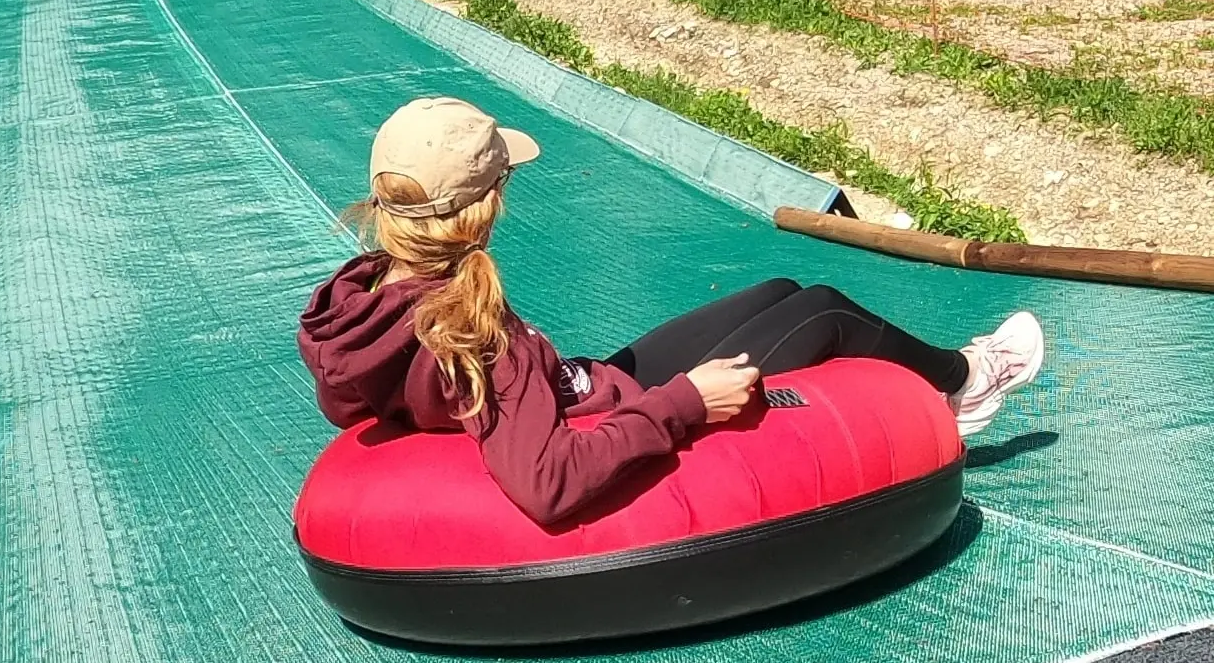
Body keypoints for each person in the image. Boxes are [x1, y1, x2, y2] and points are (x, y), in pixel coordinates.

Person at [297, 97, 1046, 527]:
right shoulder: (475, 329)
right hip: (607, 412)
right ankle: (968, 380)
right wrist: (686, 404)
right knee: (821, 315)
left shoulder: (362, 297)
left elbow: (358, 400)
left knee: (779, 291)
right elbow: (548, 482)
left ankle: (962, 374)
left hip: (585, 384)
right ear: (490, 202)